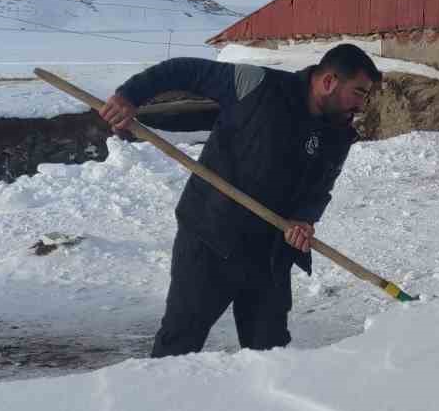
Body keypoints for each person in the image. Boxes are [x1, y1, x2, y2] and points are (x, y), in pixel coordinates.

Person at [99, 44, 381, 356]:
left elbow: (320, 187)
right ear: (329, 81)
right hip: (210, 239)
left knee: (270, 353)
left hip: (270, 253)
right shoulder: (257, 83)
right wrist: (130, 96)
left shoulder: (339, 133)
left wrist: (304, 217)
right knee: (180, 343)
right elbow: (182, 70)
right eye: (358, 92)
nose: (361, 104)